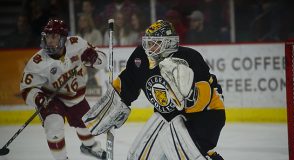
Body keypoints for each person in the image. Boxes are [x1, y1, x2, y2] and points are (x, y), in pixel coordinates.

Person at [111, 20, 226, 159]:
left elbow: (204, 96)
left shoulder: (189, 57)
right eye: (149, 42)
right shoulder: (141, 57)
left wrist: (189, 95)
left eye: (156, 42)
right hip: (170, 114)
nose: (150, 47)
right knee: (139, 157)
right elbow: (128, 81)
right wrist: (115, 100)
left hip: (206, 115)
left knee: (190, 154)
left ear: (169, 42)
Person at [19, 19, 107, 160]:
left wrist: (94, 58)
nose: (49, 40)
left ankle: (89, 147)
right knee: (54, 125)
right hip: (51, 99)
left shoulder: (77, 44)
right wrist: (37, 97)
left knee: (87, 126)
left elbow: (103, 62)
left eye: (54, 36)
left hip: (75, 96)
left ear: (63, 38)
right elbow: (26, 89)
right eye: (47, 36)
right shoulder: (37, 62)